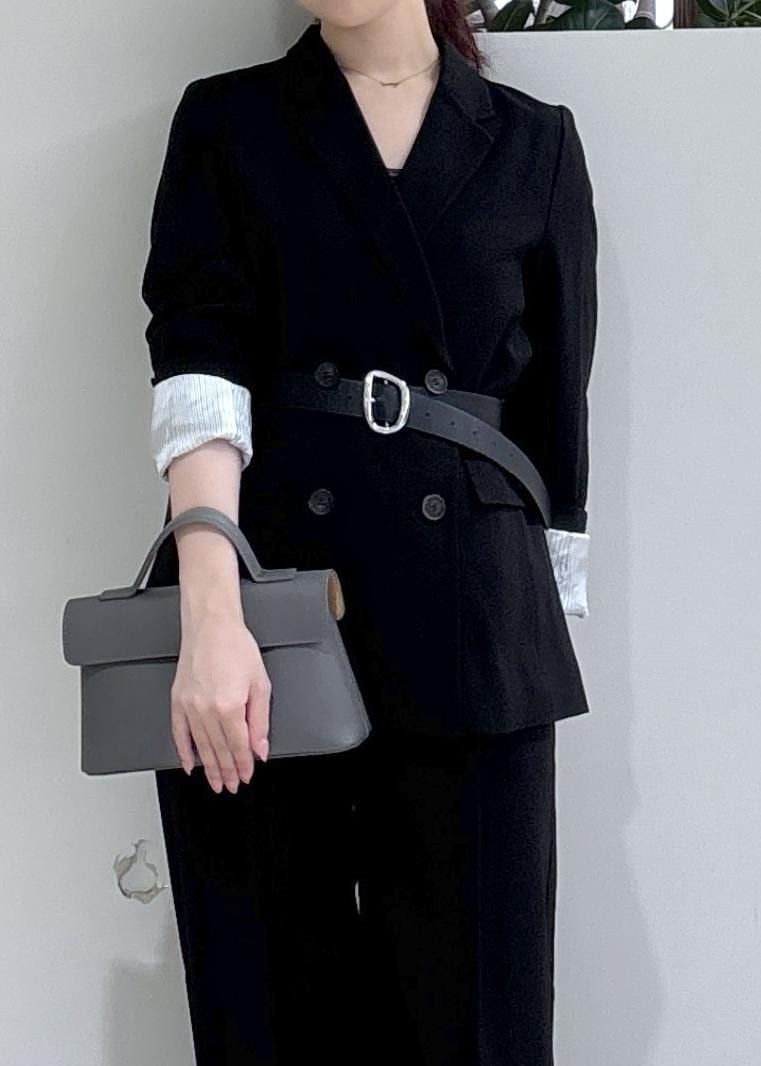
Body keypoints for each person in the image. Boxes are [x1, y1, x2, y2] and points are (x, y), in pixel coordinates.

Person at [140, 2, 598, 1063]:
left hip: (476, 628)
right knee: (264, 1011)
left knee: (479, 1024)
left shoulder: (533, 142)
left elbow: (554, 429)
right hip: (265, 621)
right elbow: (198, 364)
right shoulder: (228, 123)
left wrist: (540, 621)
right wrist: (209, 618)